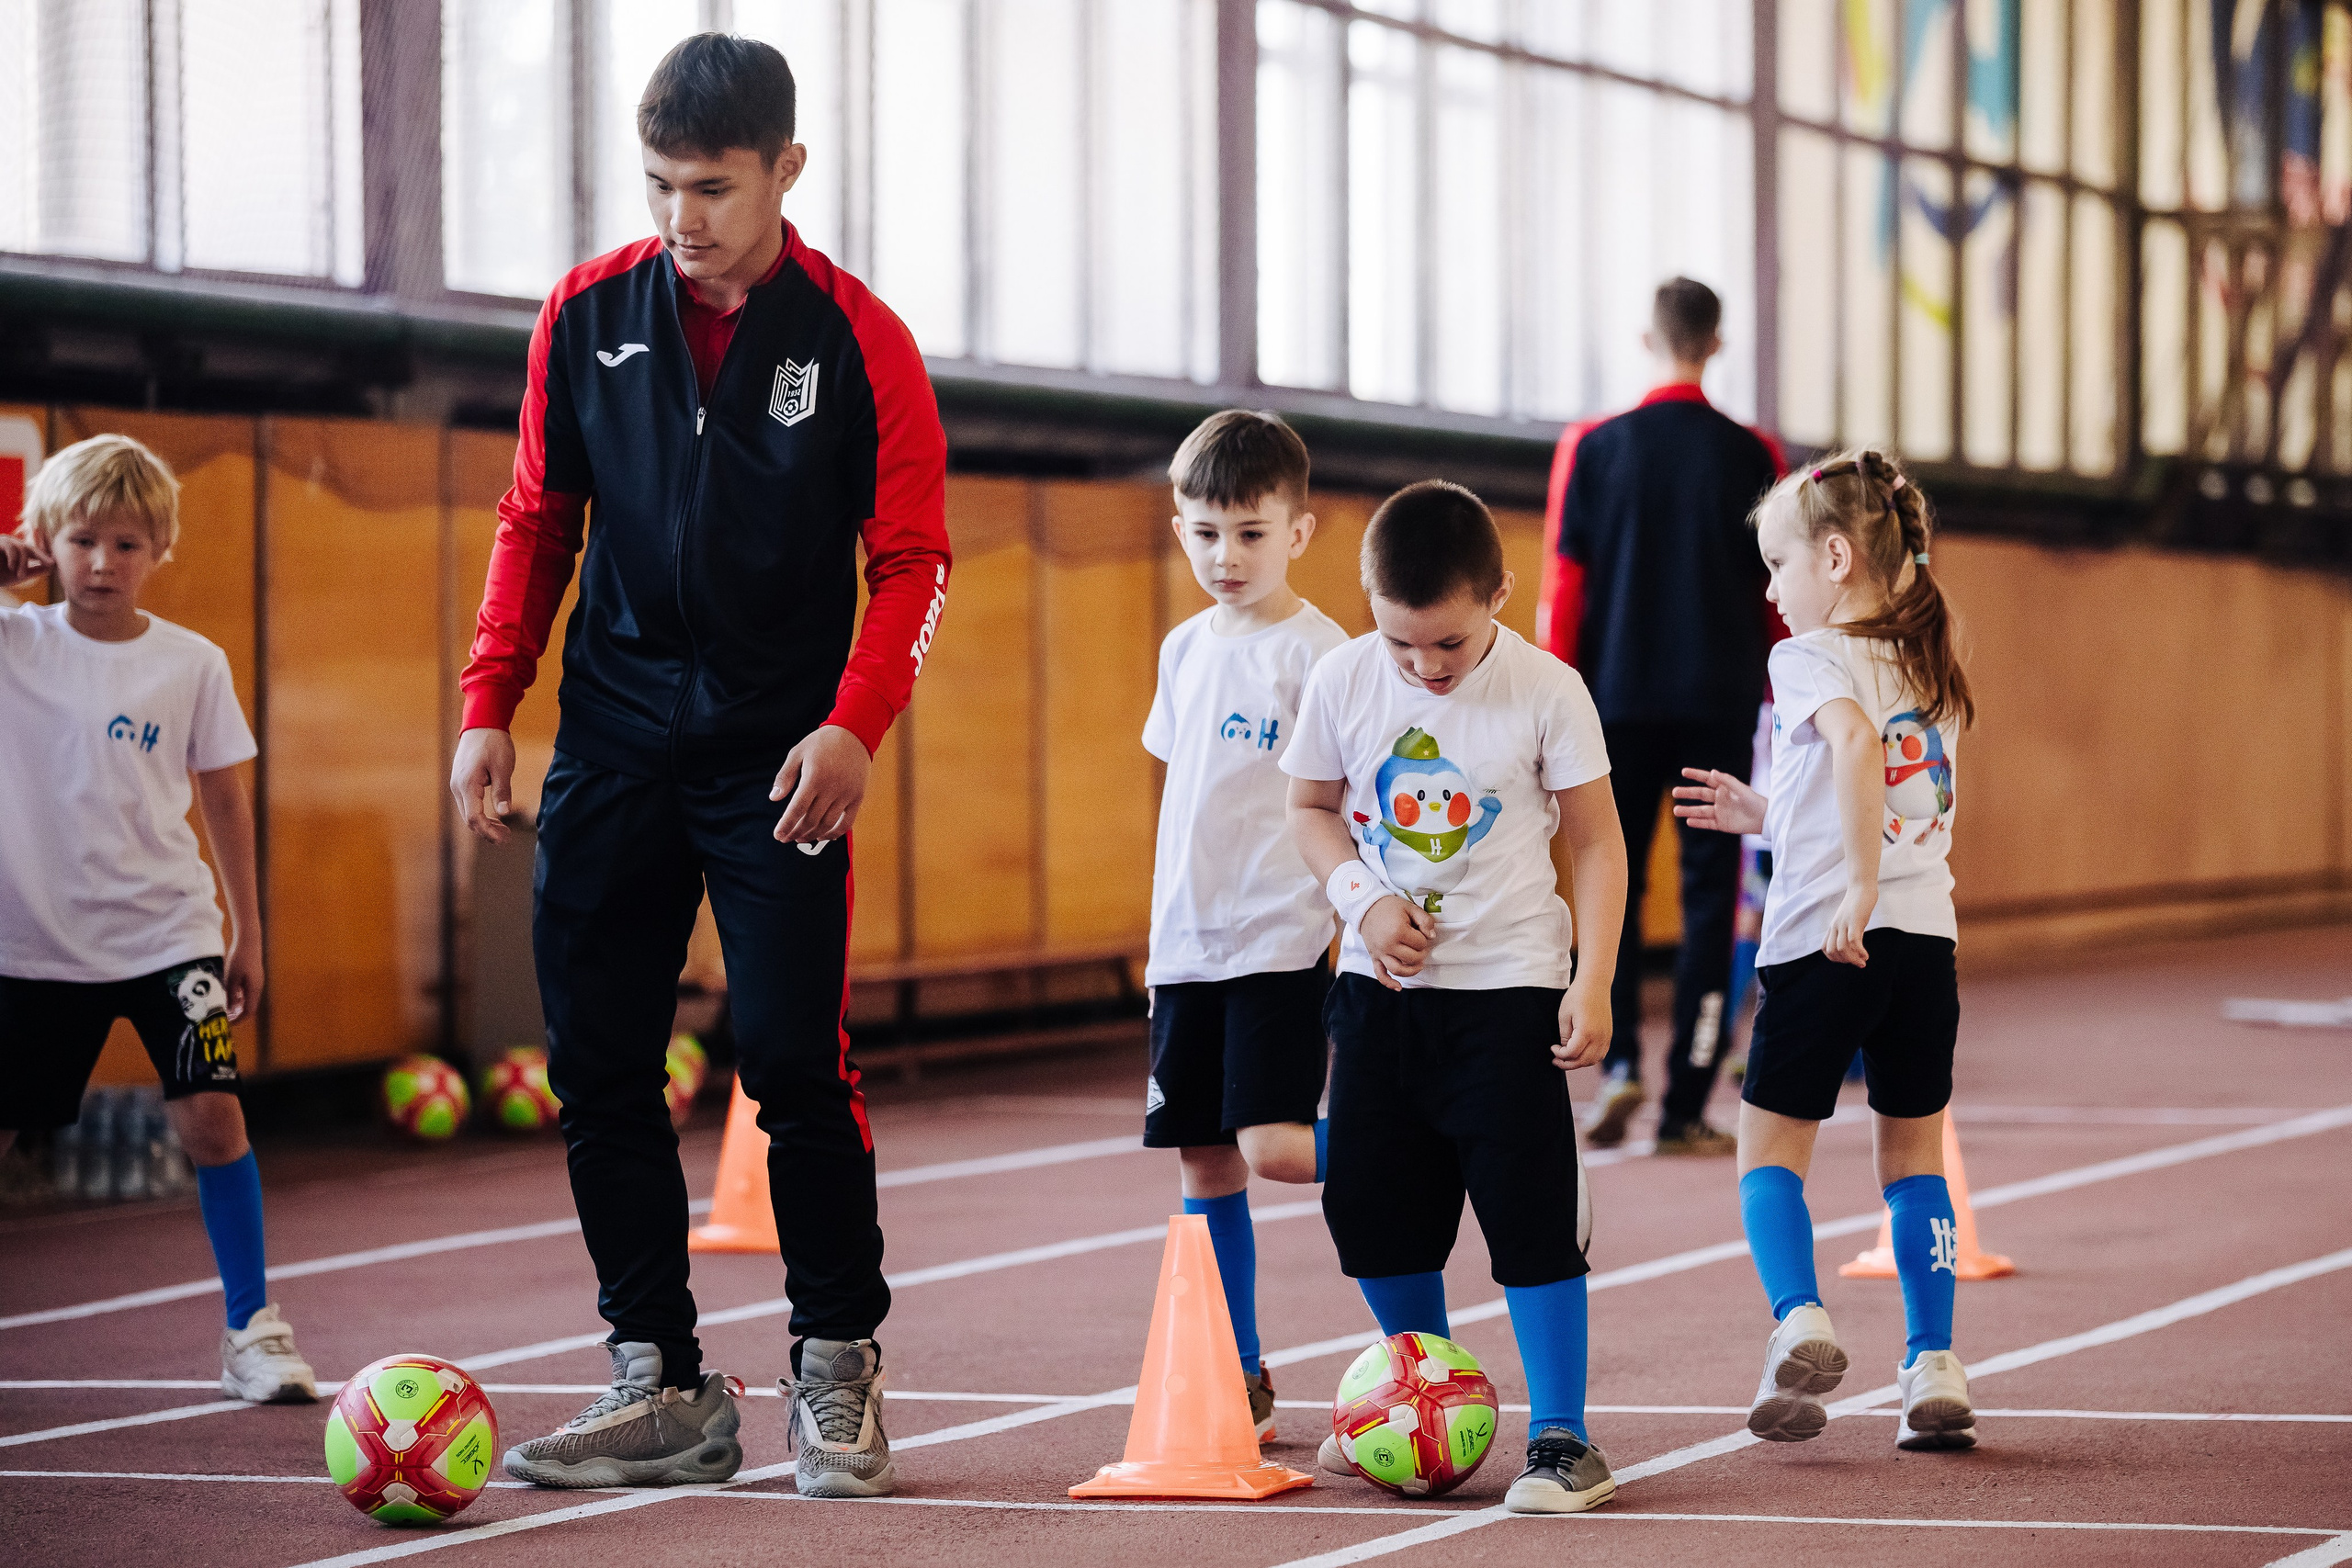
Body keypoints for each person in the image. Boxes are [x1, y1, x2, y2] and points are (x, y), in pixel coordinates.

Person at [448, 35, 950, 1495]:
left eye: (716, 187)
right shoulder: (586, 311)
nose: (685, 215)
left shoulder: (863, 340)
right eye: (662, 183)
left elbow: (913, 562)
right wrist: (493, 694)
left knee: (796, 1063)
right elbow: (537, 514)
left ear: (787, 170)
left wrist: (854, 723)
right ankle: (657, 1377)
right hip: (610, 741)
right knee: (601, 1067)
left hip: (775, 760)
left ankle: (836, 1367)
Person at [1283, 480, 1630, 1514]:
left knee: (1528, 1218)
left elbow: (1597, 840)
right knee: (1374, 1207)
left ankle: (1563, 1438)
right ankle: (1410, 1392)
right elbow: (1308, 810)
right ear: (1368, 608)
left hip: (1508, 994)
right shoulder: (1343, 680)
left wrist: (1595, 977)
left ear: (1499, 598)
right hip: (1380, 996)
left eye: (1447, 645)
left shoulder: (1547, 688)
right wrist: (1363, 898)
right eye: (1402, 645)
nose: (1424, 668)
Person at [1671, 449, 1978, 1453]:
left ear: (1836, 557)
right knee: (1911, 1160)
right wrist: (1768, 814)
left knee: (1769, 1157)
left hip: (1823, 942)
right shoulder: (1930, 660)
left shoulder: (1808, 657)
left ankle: (1797, 1316)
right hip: (1923, 948)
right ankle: (1931, 1361)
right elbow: (1891, 788)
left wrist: (1847, 885)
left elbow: (1851, 749)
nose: (1770, 590)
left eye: (1777, 566)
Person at [0, 434, 315, 1404]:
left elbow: (225, 803)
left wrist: (245, 933)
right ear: (44, 539)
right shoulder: (14, 640)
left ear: (160, 549)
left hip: (167, 937)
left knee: (212, 1118)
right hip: (32, 943)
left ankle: (251, 1328)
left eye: (128, 544)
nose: (103, 563)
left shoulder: (192, 664)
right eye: (83, 539)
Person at [1541, 277, 1787, 1156]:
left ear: (1648, 338)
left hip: (1612, 703)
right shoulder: (1753, 451)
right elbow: (1778, 590)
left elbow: (1564, 586)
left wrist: (1552, 698)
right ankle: (1687, 1097)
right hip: (1717, 706)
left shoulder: (1594, 446)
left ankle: (1614, 1069)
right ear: (1715, 344)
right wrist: (1783, 694)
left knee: (1614, 879)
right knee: (1710, 895)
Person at [1141, 410, 1348, 1440]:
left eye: (1251, 535)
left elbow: (1347, 800)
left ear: (1297, 534)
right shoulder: (1183, 650)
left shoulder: (1324, 657)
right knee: (1204, 1162)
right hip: (1186, 942)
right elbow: (1188, 789)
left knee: (1271, 1147)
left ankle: (1401, 1147)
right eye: (1204, 532)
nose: (1225, 556)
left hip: (1278, 935)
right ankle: (1243, 1372)